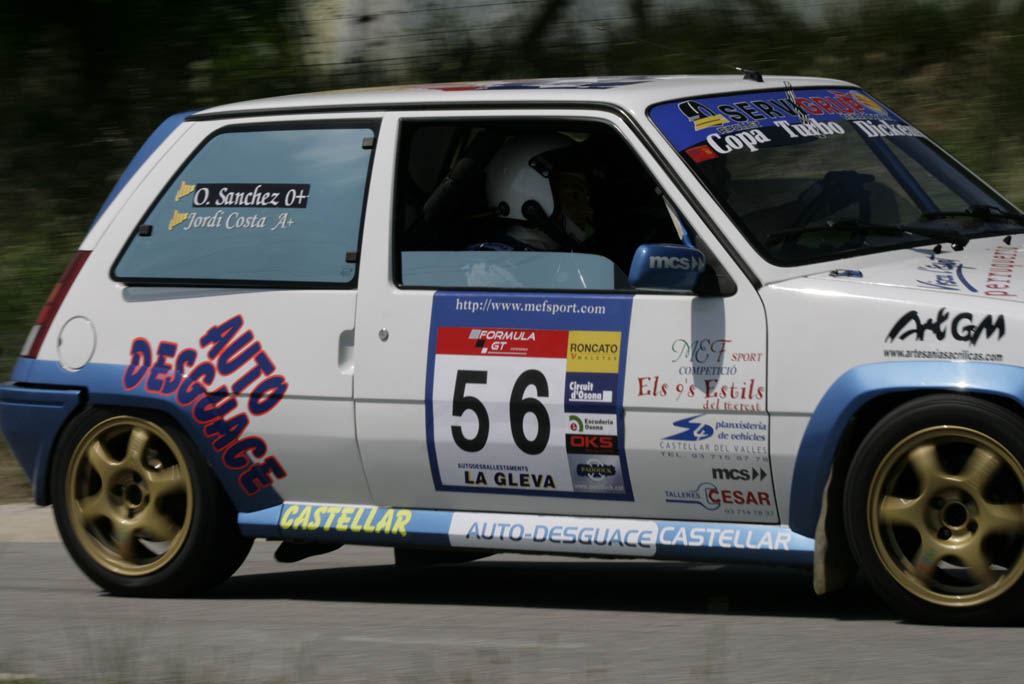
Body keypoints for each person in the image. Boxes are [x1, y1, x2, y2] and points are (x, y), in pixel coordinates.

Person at [473, 133, 597, 251]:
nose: (589, 210)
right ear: (532, 207)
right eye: (574, 196)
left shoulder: (556, 254)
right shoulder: (490, 261)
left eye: (586, 198)